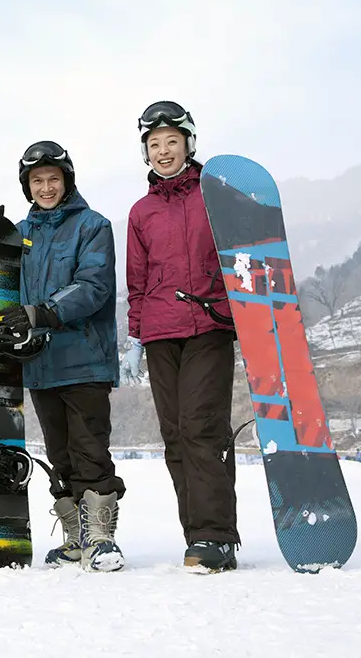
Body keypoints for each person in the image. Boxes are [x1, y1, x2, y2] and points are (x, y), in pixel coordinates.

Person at [0, 141, 126, 573]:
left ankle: (101, 539)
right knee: (60, 454)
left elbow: (93, 285)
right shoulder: (22, 233)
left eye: (53, 179)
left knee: (90, 449)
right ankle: (76, 539)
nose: (45, 187)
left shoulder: (93, 226)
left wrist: (43, 312)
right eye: (36, 180)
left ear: (67, 181)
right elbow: (0, 284)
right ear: (27, 186)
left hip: (84, 359)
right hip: (39, 365)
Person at [123, 100, 239, 571]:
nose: (164, 151)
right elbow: (136, 280)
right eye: (154, 145)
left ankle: (218, 536)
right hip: (159, 333)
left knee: (201, 427)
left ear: (189, 143)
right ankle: (197, 536)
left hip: (210, 324)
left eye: (172, 141)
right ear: (145, 153)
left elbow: (242, 256)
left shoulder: (216, 195)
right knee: (174, 435)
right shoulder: (141, 211)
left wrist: (246, 315)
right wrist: (134, 336)